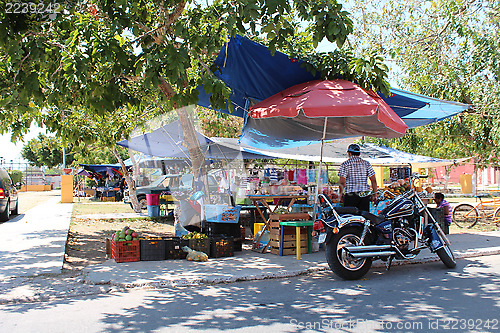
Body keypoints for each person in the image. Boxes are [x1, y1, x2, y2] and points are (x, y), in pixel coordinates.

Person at [338, 144, 378, 211]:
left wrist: (341, 193)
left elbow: (342, 182)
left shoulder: (345, 164)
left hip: (351, 195)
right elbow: (373, 180)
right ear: (359, 153)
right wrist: (375, 194)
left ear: (349, 153)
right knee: (364, 217)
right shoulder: (366, 164)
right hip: (364, 195)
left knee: (350, 217)